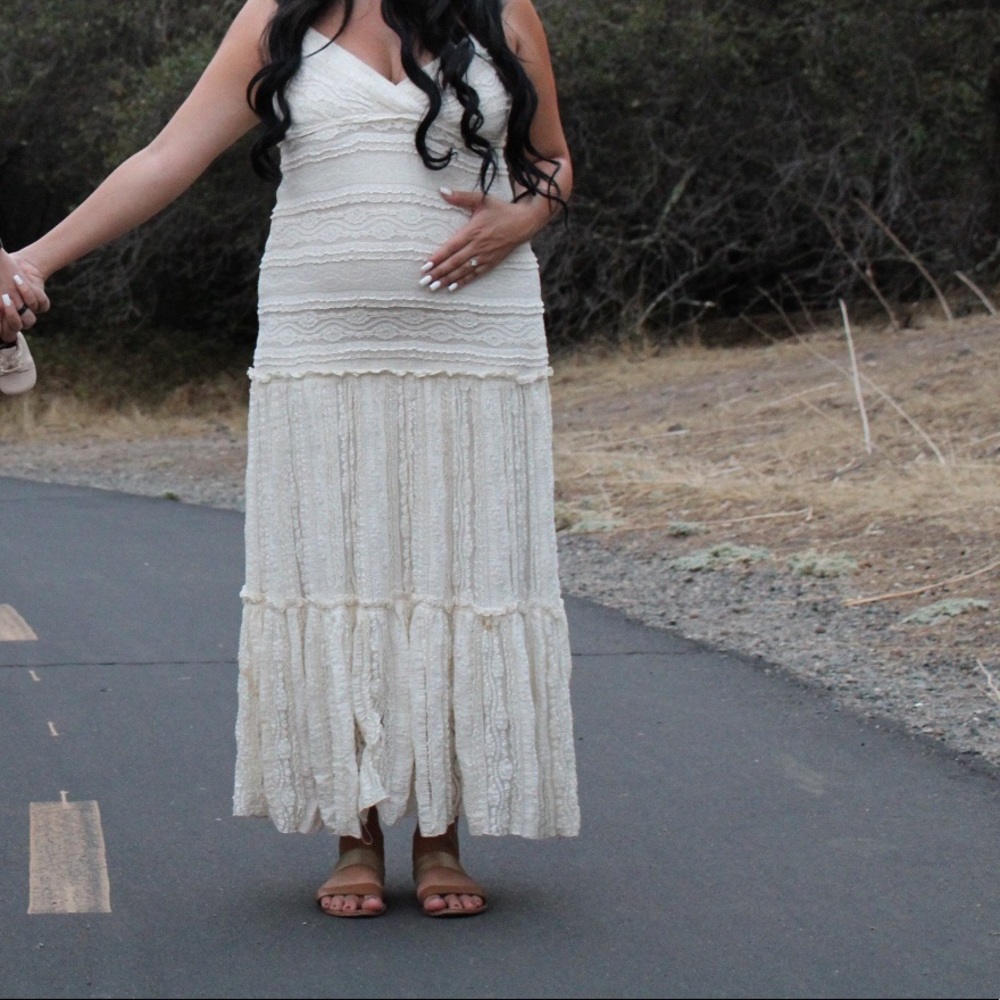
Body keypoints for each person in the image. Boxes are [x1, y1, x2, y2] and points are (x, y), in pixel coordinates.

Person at [0, 0, 579, 918]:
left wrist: (521, 218)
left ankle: (441, 835)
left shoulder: (506, 14)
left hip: (474, 340)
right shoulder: (277, 17)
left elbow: (551, 160)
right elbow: (167, 158)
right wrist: (30, 259)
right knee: (338, 567)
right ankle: (356, 830)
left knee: (459, 565)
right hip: (322, 340)